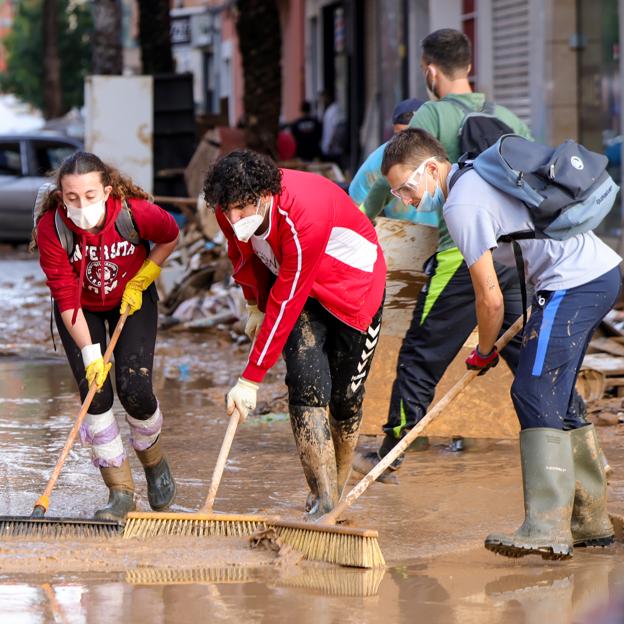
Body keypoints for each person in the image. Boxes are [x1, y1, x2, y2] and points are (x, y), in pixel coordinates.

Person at [381, 127, 621, 559]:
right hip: (590, 277)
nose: (407, 200)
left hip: (575, 284)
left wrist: (484, 351)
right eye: (398, 193)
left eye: (407, 187)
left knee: (532, 390)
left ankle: (546, 526)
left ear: (432, 168)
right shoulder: (474, 177)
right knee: (558, 398)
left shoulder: (462, 204)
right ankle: (590, 523)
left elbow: (489, 298)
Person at [353, 28, 538, 478]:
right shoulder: (512, 119)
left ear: (429, 71)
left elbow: (383, 174)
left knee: (420, 355)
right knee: (528, 359)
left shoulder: (430, 117)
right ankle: (576, 441)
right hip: (516, 255)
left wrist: (363, 227)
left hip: (460, 254)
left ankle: (390, 452)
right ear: (469, 67)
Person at [202, 149, 386, 518]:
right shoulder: (229, 209)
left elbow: (287, 300)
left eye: (242, 209)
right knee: (306, 385)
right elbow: (242, 255)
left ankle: (338, 481)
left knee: (345, 398)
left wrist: (251, 379)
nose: (234, 218)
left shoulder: (303, 215)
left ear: (265, 196)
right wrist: (254, 302)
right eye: (227, 210)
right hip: (297, 285)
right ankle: (324, 501)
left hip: (352, 290)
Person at [32, 151, 179, 520]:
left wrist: (145, 276)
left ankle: (154, 462)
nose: (81, 205)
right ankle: (120, 492)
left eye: (91, 196)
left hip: (132, 299)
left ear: (108, 190)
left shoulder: (136, 213)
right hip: (80, 311)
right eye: (72, 198)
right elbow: (66, 298)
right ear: (61, 196)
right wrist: (90, 353)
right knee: (95, 396)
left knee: (135, 389)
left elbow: (170, 236)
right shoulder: (53, 228)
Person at [349, 97, 438, 225]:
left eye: (415, 135)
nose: (406, 144)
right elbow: (356, 207)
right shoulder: (378, 162)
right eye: (400, 136)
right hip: (404, 238)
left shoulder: (446, 157)